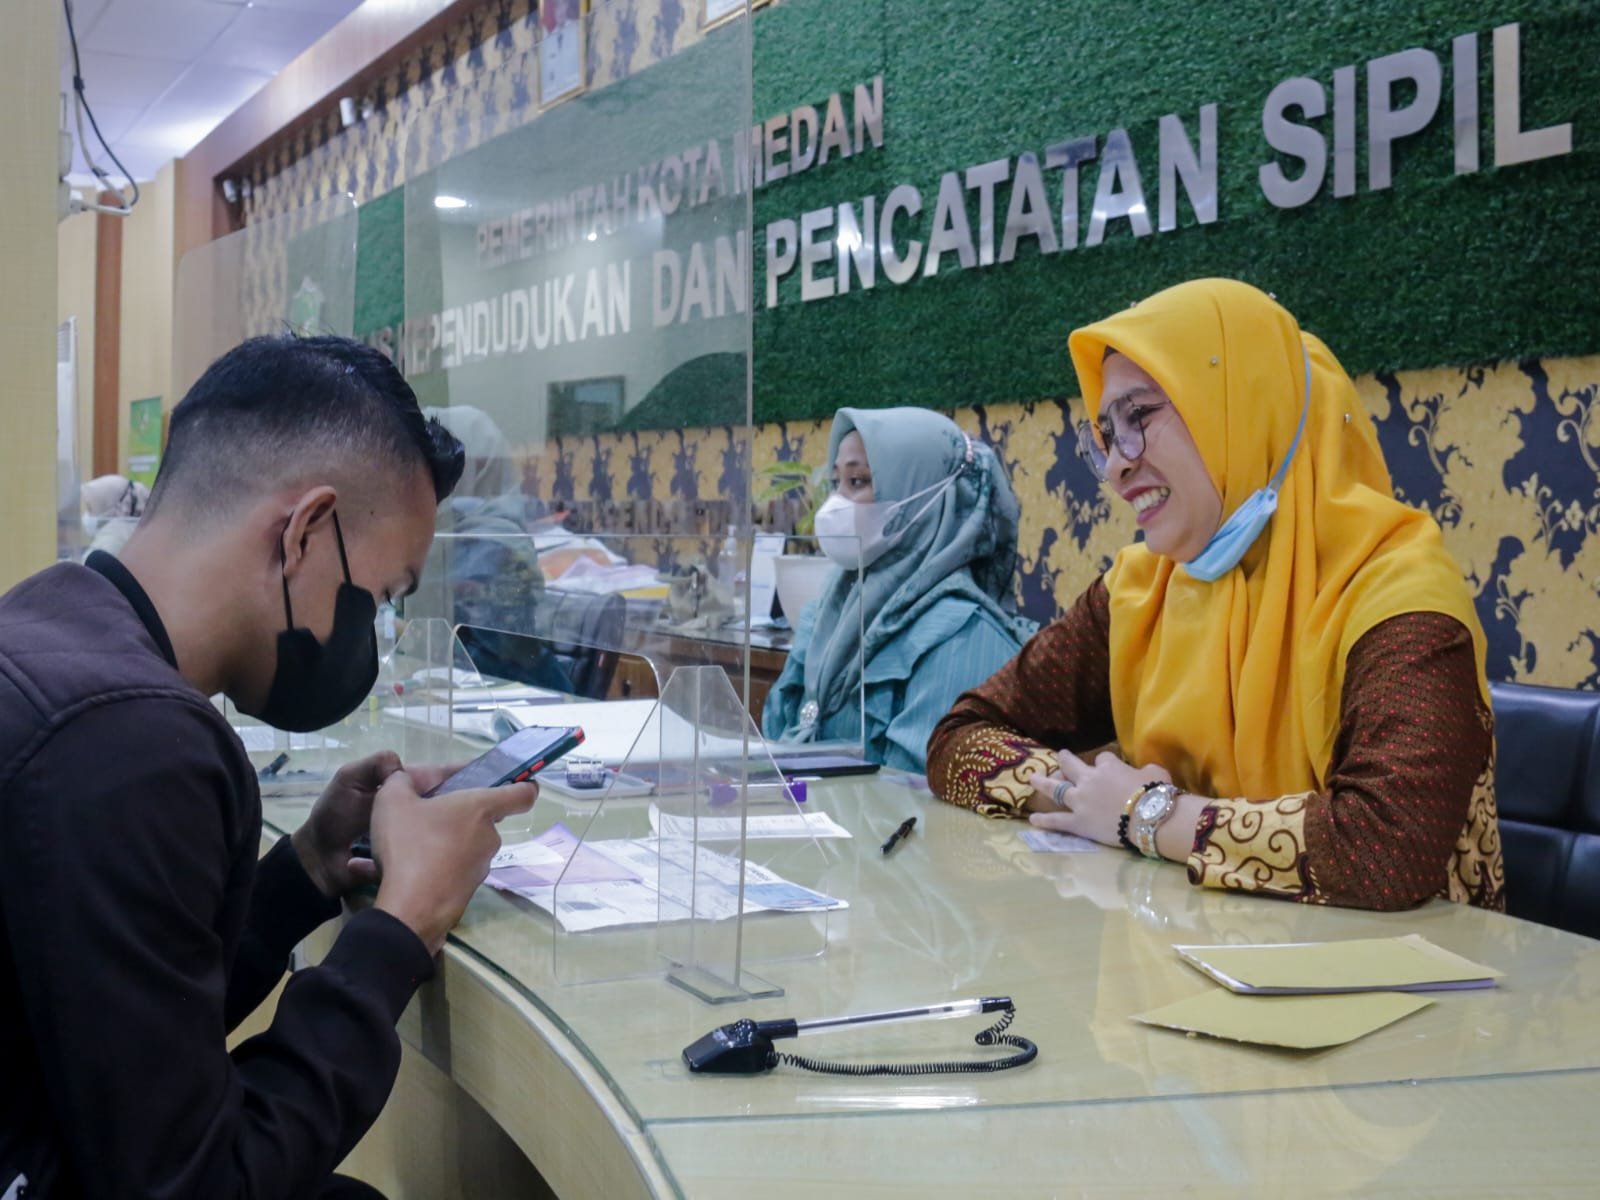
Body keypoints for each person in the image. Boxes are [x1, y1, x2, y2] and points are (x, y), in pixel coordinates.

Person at [0, 335, 537, 1199]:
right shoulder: (132, 744)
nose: (379, 631)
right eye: (386, 597)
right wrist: (401, 926)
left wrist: (305, 872)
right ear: (304, 533)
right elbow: (204, 1182)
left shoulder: (49, 626)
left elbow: (126, 1028)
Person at [927, 278, 1504, 912]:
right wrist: (1079, 797)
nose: (1116, 466)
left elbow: (1386, 851)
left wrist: (1145, 815)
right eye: (1106, 434)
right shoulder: (1141, 588)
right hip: (1190, 962)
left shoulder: (1402, 598)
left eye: (1139, 417)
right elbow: (960, 738)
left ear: (1243, 408)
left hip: (1398, 989)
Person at [763, 407, 1037, 772]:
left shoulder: (963, 637)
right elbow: (775, 736)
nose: (835, 503)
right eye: (836, 483)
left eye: (858, 481)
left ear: (924, 496)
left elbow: (910, 805)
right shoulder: (830, 611)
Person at [79, 472, 149, 558]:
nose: (87, 515)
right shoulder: (134, 534)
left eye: (90, 509)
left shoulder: (110, 541)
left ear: (117, 509)